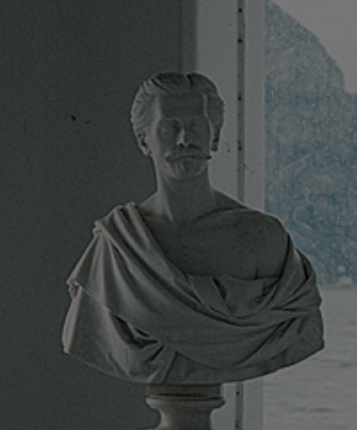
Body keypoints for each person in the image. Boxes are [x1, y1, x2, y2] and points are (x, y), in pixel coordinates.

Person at [63, 72, 322, 384]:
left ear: (215, 136)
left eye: (197, 125)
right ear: (144, 139)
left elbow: (299, 324)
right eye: (170, 127)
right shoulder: (116, 246)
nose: (185, 139)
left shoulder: (262, 238)